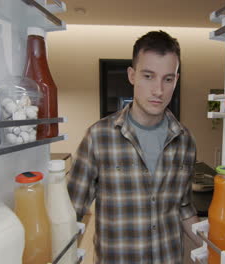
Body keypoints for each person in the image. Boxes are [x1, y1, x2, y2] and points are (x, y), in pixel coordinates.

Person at [67, 30, 201, 264]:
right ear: (132, 75)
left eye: (167, 79)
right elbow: (70, 213)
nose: (158, 90)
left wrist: (216, 250)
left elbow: (184, 208)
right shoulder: (98, 137)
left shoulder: (185, 140)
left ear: (176, 80)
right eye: (148, 76)